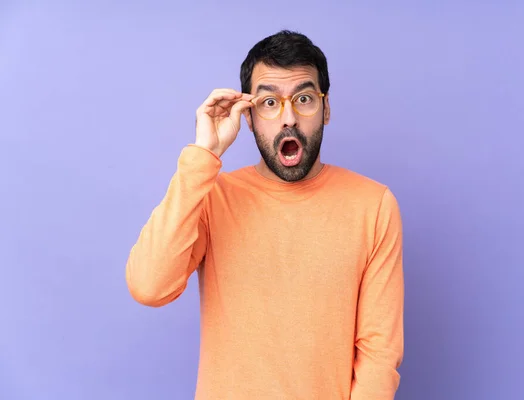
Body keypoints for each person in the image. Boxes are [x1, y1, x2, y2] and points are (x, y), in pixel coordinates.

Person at [125, 30, 404, 400]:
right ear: (250, 117)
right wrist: (201, 155)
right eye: (269, 102)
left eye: (304, 99)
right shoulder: (211, 197)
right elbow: (149, 286)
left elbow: (378, 357)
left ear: (326, 108)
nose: (288, 118)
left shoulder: (374, 205)